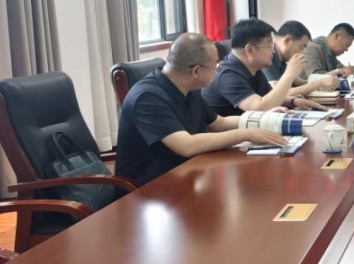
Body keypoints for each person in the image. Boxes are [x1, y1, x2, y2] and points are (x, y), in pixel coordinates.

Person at [115, 33, 286, 186]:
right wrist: (247, 134)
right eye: (215, 65)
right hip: (151, 189)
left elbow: (219, 123)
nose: (218, 69)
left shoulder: (188, 87)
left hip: (187, 173)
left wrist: (263, 118)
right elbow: (187, 145)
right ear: (196, 71)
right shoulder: (147, 97)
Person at [202, 18, 325, 117]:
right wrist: (289, 74)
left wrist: (294, 101)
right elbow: (260, 107)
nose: (273, 51)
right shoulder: (227, 74)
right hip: (223, 137)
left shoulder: (254, 68)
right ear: (250, 50)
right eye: (269, 45)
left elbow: (270, 96)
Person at [263, 20, 338, 95]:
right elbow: (278, 94)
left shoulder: (282, 60)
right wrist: (319, 83)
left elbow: (301, 83)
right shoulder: (268, 57)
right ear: (287, 41)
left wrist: (325, 78)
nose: (302, 53)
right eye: (301, 47)